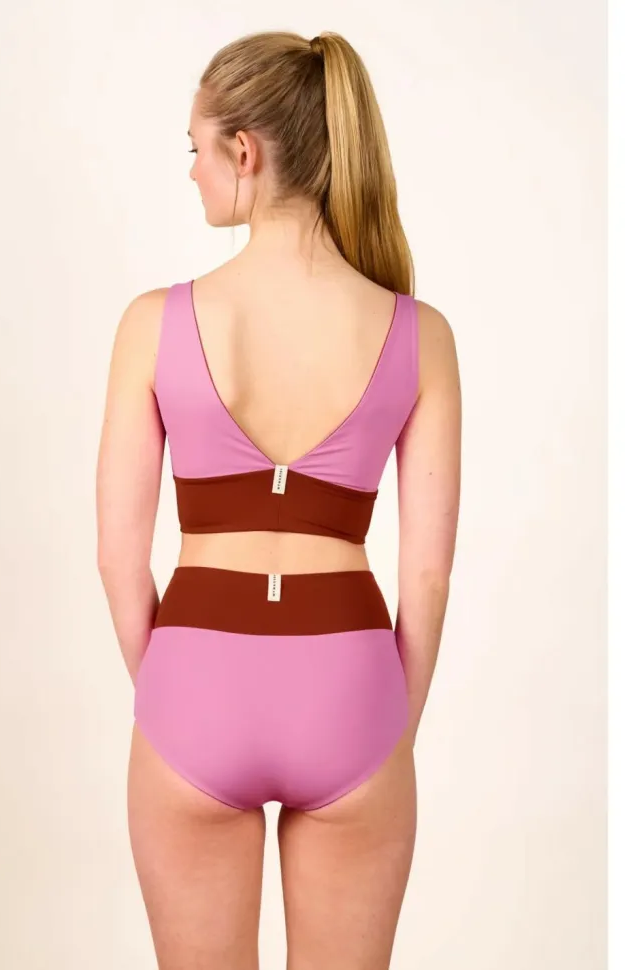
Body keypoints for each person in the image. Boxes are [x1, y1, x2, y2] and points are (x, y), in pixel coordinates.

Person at [96, 29, 461, 970]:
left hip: (196, 681)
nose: (191, 172)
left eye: (195, 148)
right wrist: (390, 728)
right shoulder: (419, 333)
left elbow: (118, 561)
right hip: (349, 687)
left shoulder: (152, 324)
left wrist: (174, 693)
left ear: (244, 150)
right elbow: (426, 576)